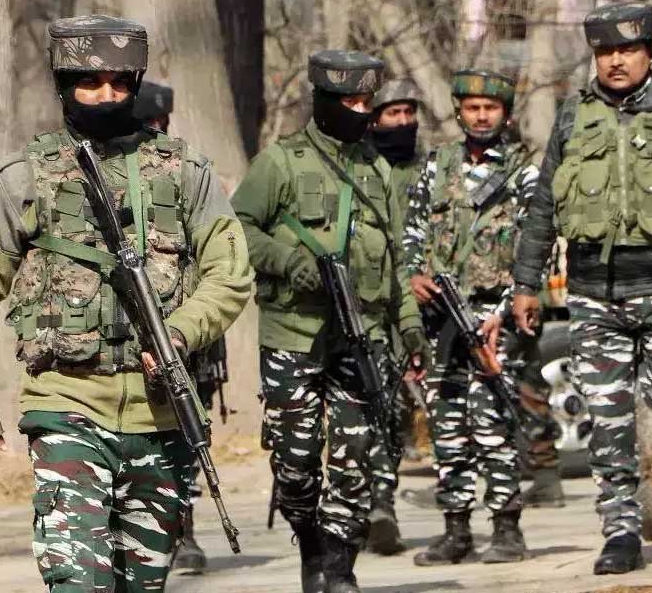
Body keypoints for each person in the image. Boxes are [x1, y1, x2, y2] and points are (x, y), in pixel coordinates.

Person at [0, 14, 252, 592]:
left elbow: (230, 275)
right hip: (66, 406)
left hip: (162, 416)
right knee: (78, 581)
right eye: (90, 82)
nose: (106, 95)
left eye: (119, 82)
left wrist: (181, 332)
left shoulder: (185, 173)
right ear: (63, 84)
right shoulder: (21, 180)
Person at [511, 2, 652, 573]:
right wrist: (526, 284)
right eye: (605, 51)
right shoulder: (571, 117)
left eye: (627, 49)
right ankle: (621, 533)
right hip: (592, 294)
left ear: (648, 53)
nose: (616, 61)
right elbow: (543, 206)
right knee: (607, 424)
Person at [231, 50, 431, 593]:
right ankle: (311, 543)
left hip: (362, 335)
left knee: (356, 457)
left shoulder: (378, 171)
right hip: (293, 334)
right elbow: (237, 228)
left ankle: (339, 568)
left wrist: (410, 327)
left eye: (368, 103)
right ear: (323, 101)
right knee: (295, 462)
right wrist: (287, 261)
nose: (361, 112)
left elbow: (397, 263)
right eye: (350, 103)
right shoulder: (280, 163)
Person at [405, 69, 539, 566]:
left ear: (505, 114)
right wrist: (413, 277)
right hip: (440, 317)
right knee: (446, 425)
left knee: (493, 423)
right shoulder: (436, 167)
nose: (481, 116)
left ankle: (507, 526)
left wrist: (504, 310)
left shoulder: (523, 173)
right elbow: (412, 233)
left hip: (491, 317)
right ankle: (455, 529)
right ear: (459, 112)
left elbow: (534, 249)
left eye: (491, 108)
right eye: (472, 108)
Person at [131, 80, 229, 575]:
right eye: (146, 122)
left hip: (187, 333)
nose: (155, 130)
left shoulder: (188, 173)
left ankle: (183, 531)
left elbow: (219, 262)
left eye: (161, 123)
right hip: (128, 331)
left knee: (187, 432)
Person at [364, 78, 427, 556]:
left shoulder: (430, 171)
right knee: (376, 409)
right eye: (393, 113)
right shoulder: (361, 169)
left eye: (409, 113)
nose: (403, 122)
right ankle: (378, 505)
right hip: (372, 308)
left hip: (425, 307)